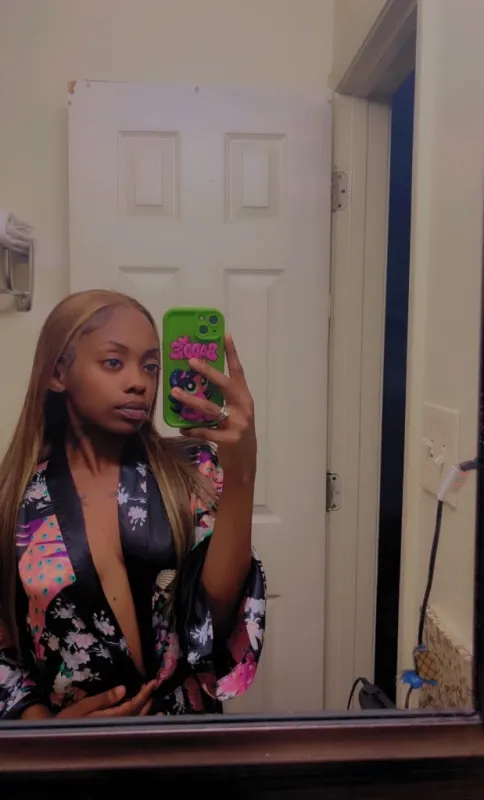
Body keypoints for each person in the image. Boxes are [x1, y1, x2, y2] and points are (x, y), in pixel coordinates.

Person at [0, 290, 266, 719]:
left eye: (150, 366)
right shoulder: (15, 500)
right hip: (70, 750)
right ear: (57, 373)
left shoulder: (190, 470)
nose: (139, 381)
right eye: (113, 362)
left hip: (183, 735)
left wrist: (242, 475)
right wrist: (45, 729)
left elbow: (215, 616)